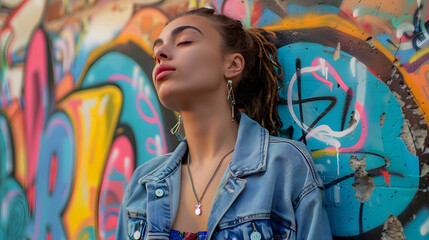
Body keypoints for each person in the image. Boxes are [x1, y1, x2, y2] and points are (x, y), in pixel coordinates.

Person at [115, 7, 332, 240]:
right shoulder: (143, 184)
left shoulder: (283, 166)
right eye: (157, 50)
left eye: (185, 41)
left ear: (232, 65)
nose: (161, 54)